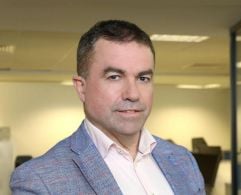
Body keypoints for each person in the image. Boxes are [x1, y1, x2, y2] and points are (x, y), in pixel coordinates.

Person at [10, 20, 205, 194]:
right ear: (81, 88)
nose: (133, 94)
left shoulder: (183, 161)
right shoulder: (39, 181)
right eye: (114, 77)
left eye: (143, 78)